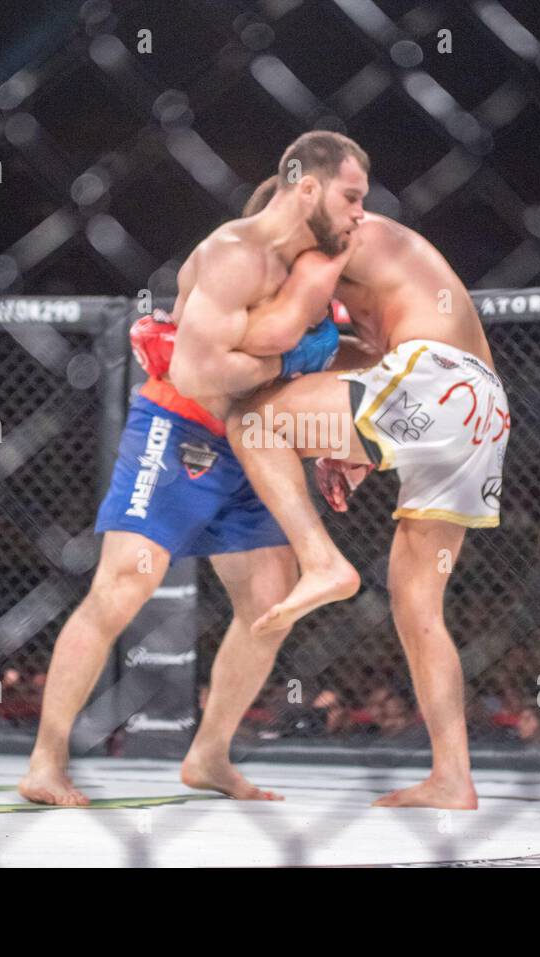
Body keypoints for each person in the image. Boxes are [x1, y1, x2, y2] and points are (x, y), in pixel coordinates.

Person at [18, 131, 369, 806]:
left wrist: (334, 415)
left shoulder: (317, 272)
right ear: (306, 188)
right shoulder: (234, 255)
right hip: (181, 431)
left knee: (270, 600)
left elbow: (330, 356)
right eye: (351, 196)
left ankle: (209, 755)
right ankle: (46, 758)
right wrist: (294, 360)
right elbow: (198, 368)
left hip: (259, 439)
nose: (358, 215)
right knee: (123, 584)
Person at [200, 188, 510, 809]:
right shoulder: (381, 274)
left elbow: (277, 334)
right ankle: (452, 777)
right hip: (481, 409)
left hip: (434, 378)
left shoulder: (333, 238)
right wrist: (354, 448)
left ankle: (321, 560)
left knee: (252, 422)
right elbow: (366, 363)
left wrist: (205, 340)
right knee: (416, 605)